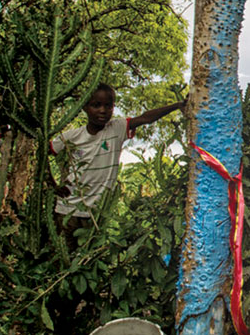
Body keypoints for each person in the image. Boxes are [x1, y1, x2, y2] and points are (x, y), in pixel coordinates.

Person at [50, 83, 186, 245]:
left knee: (91, 256)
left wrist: (177, 105)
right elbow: (44, 153)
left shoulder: (117, 128)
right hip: (67, 211)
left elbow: (145, 118)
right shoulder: (71, 137)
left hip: (98, 213)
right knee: (63, 254)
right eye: (96, 105)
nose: (102, 110)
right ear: (85, 107)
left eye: (108, 106)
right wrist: (53, 185)